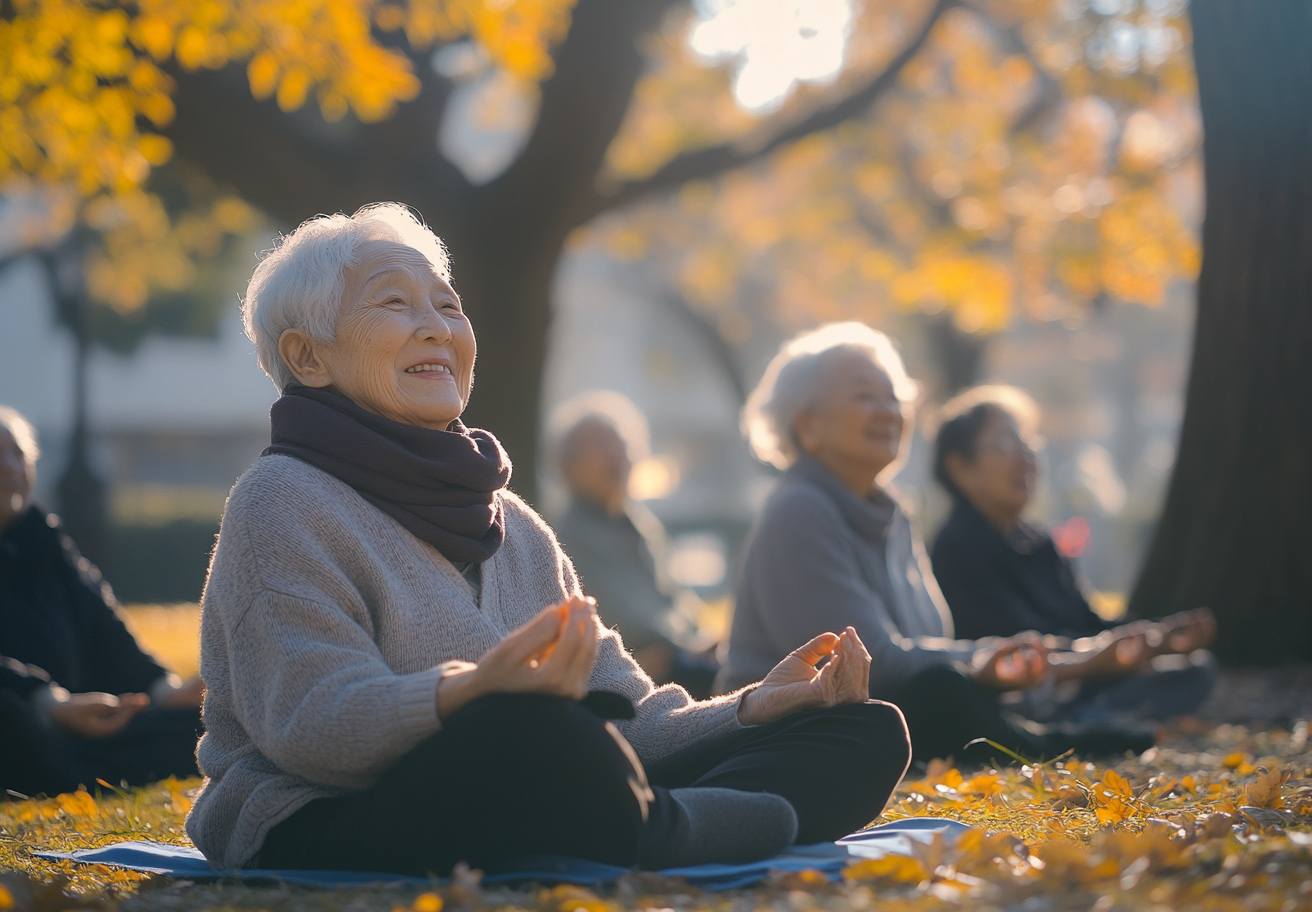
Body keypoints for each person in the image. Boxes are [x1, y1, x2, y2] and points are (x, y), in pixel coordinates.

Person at [186, 204, 911, 878]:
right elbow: (313, 730)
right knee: (537, 732)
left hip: (536, 780)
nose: (437, 327)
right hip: (320, 814)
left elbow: (627, 709)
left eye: (447, 305)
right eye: (395, 304)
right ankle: (669, 826)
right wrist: (472, 692)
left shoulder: (512, 523)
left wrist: (754, 706)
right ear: (307, 358)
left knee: (864, 731)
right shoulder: (281, 500)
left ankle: (658, 822)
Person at [717, 323, 1201, 764]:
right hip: (792, 738)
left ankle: (1044, 730)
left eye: (895, 397)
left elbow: (935, 644)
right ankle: (1050, 742)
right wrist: (1061, 664)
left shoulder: (895, 515)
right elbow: (870, 665)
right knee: (942, 687)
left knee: (1192, 672)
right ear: (808, 425)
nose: (889, 411)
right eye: (866, 396)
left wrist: (1023, 665)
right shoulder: (799, 509)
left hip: (893, 713)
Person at [929, 384, 1215, 724]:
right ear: (960, 467)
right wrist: (1094, 657)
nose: (1026, 457)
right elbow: (1012, 643)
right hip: (1027, 690)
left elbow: (1087, 619)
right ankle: (1086, 721)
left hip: (1083, 675)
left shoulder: (1038, 542)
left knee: (1197, 668)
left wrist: (1158, 637)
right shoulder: (958, 544)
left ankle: (1096, 717)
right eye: (1006, 444)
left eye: (1028, 442)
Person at [0, 406, 204, 797]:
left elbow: (106, 631)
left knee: (200, 723)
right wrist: (48, 702)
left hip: (79, 728)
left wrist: (164, 691)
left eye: (18, 455)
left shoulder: (45, 542)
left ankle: (72, 769)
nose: (9, 468)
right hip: (29, 718)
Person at [549, 392, 719, 698]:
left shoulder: (640, 525)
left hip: (680, 660)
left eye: (621, 444)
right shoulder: (562, 537)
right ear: (567, 466)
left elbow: (675, 602)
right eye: (599, 446)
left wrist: (698, 641)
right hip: (626, 681)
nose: (615, 455)